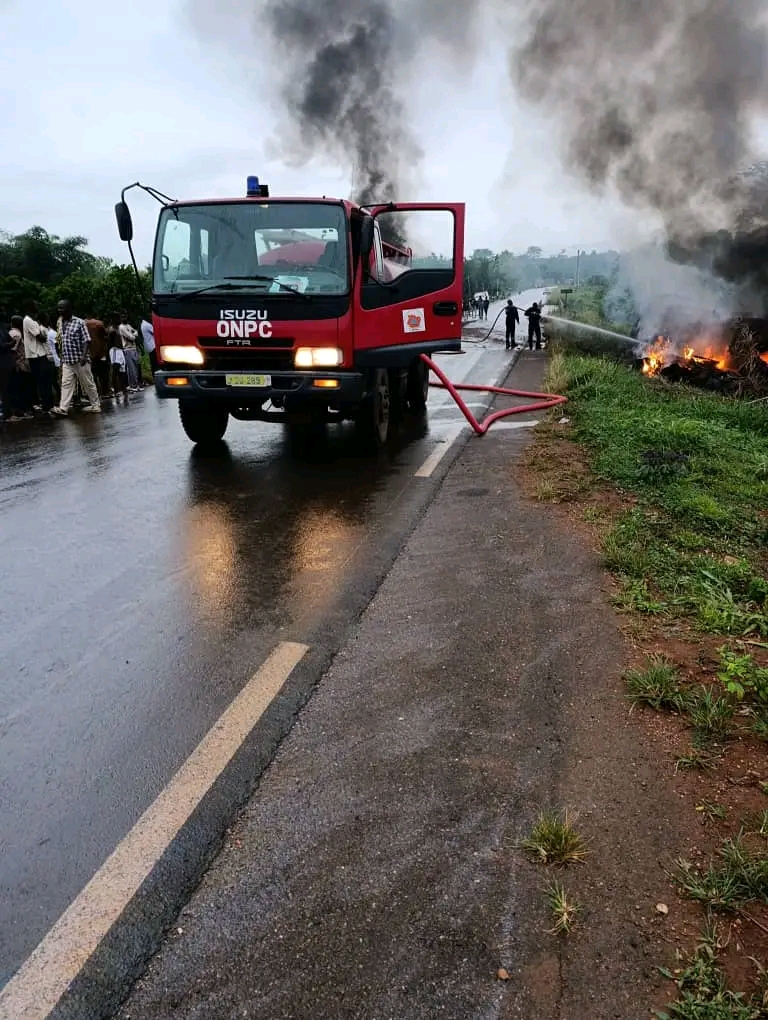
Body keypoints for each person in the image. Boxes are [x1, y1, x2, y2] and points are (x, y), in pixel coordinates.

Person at [51, 300, 102, 415]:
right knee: (66, 384)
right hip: (67, 360)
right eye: (58, 308)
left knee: (88, 383)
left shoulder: (79, 322)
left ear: (69, 309)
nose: (60, 311)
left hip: (80, 359)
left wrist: (84, 356)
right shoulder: (60, 322)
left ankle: (95, 405)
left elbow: (86, 340)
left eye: (62, 308)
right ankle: (63, 408)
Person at [23, 301, 56, 414]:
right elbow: (40, 337)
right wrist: (45, 335)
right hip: (36, 355)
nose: (37, 307)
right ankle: (47, 405)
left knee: (45, 381)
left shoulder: (33, 321)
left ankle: (48, 404)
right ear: (30, 308)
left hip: (39, 354)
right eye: (35, 306)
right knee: (44, 381)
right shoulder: (28, 321)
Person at [9, 315, 33, 419]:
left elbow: (13, 349)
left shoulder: (13, 334)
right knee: (23, 388)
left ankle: (21, 410)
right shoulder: (18, 334)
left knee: (19, 388)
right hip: (21, 364)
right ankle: (24, 410)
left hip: (18, 364)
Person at [85, 317, 111, 399]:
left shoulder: (83, 324)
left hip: (90, 353)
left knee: (93, 375)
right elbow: (106, 335)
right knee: (104, 374)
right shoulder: (99, 323)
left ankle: (96, 394)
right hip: (101, 353)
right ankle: (105, 392)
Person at [119, 311, 141, 391]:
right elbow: (130, 337)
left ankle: (136, 384)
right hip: (127, 349)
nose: (124, 318)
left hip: (133, 348)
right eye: (122, 317)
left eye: (125, 316)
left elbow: (135, 332)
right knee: (131, 368)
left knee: (135, 367)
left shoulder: (128, 325)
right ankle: (133, 385)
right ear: (120, 318)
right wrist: (133, 335)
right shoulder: (121, 327)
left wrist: (133, 335)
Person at [108, 315, 127, 397]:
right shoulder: (112, 330)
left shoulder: (118, 328)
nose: (120, 320)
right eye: (118, 318)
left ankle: (123, 389)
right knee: (116, 370)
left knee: (122, 371)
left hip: (120, 351)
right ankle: (115, 390)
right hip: (115, 351)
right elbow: (109, 341)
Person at [0, 317, 14, 424]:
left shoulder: (3, 327)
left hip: (7, 362)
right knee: (5, 389)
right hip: (3, 362)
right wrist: (9, 344)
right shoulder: (2, 328)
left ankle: (7, 413)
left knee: (7, 389)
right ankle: (6, 414)